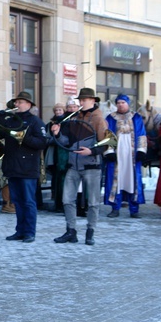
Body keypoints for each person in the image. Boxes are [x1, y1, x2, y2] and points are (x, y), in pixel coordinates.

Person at [51, 88, 109, 245]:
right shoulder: (73, 119)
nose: (81, 102)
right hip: (73, 165)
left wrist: (91, 151)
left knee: (93, 202)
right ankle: (71, 231)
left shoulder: (99, 119)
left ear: (92, 100)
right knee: (67, 200)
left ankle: (90, 232)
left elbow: (106, 144)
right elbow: (66, 142)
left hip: (92, 166)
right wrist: (57, 134)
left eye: (84, 100)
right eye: (80, 100)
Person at [0, 91, 48, 243]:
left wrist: (25, 138)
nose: (17, 105)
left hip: (28, 168)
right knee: (16, 201)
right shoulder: (11, 119)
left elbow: (42, 142)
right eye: (16, 102)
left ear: (28, 104)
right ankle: (20, 231)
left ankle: (29, 232)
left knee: (28, 201)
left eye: (20, 102)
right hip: (12, 166)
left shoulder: (35, 122)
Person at [104, 94, 147, 218]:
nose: (120, 105)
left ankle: (134, 209)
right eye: (118, 103)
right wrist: (109, 152)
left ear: (128, 104)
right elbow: (108, 135)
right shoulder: (111, 118)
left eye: (123, 102)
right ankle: (115, 208)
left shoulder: (136, 117)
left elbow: (142, 135)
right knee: (115, 180)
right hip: (117, 153)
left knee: (132, 179)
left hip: (131, 154)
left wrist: (141, 150)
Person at [45, 102, 68, 212]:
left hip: (63, 152)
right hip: (53, 152)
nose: (58, 112)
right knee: (55, 177)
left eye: (60, 110)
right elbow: (47, 137)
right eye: (56, 110)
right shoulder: (50, 124)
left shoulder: (67, 122)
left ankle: (62, 202)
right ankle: (55, 200)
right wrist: (53, 140)